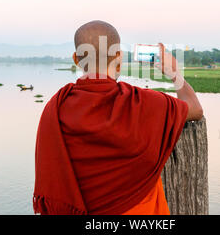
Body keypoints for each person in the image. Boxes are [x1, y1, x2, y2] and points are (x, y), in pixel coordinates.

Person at [33, 20, 203, 215]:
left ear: (76, 59)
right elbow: (195, 109)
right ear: (119, 57)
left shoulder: (57, 108)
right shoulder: (144, 102)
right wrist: (174, 73)